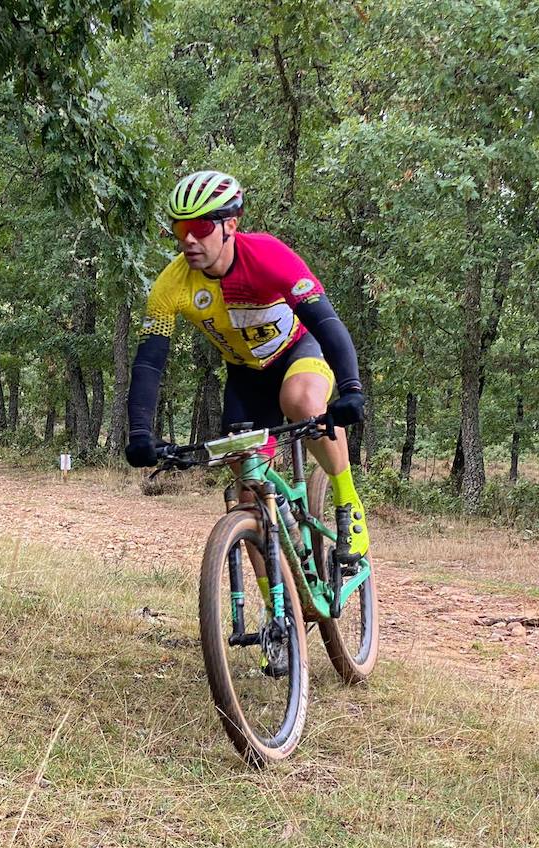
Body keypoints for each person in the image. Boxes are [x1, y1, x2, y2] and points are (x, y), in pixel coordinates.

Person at [124, 170, 370, 559]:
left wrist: (352, 388)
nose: (189, 238)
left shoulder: (268, 256)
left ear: (230, 225)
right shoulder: (171, 285)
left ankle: (347, 503)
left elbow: (325, 322)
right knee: (247, 497)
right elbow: (149, 363)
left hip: (296, 352)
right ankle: (273, 607)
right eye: (180, 227)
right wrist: (140, 432)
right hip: (245, 376)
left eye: (201, 226)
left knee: (302, 402)